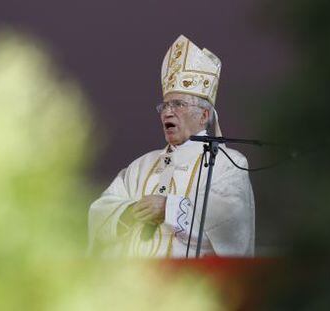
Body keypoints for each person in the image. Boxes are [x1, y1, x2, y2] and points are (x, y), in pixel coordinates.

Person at [88, 35, 255, 258]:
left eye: (178, 104)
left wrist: (169, 208)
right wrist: (128, 212)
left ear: (204, 115)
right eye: (165, 105)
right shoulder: (142, 165)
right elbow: (100, 210)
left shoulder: (227, 163)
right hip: (137, 283)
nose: (167, 112)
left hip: (193, 285)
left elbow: (231, 224)